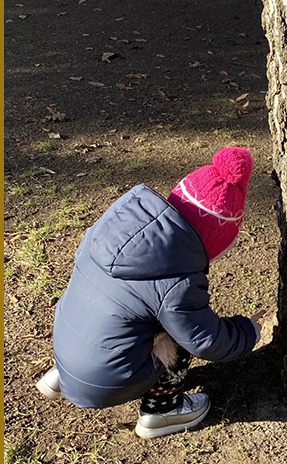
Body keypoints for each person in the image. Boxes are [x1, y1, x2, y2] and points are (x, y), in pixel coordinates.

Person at [36, 147, 265, 439]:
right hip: (105, 378)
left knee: (105, 298)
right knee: (178, 335)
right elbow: (206, 341)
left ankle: (66, 374)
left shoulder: (114, 227)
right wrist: (248, 330)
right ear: (212, 240)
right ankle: (163, 410)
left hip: (65, 346)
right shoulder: (174, 281)